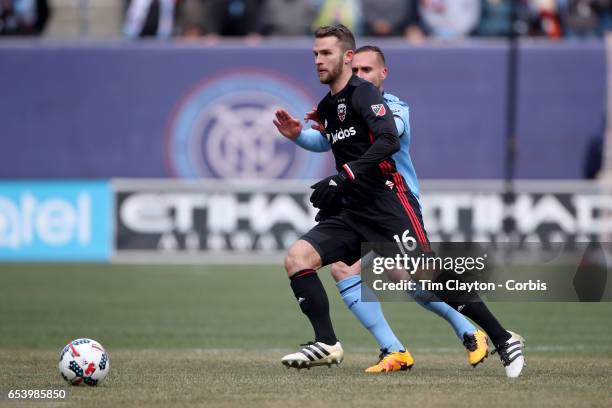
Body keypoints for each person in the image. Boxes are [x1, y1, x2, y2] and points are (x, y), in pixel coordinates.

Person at [274, 40, 525, 377]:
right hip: (354, 207)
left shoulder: (386, 104)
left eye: (365, 69)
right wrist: (302, 134)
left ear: (381, 72)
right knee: (304, 259)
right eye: (315, 55)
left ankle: (498, 336)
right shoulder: (334, 104)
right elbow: (330, 141)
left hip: (392, 202)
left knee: (423, 277)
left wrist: (343, 170)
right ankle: (337, 343)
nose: (319, 61)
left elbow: (389, 134)